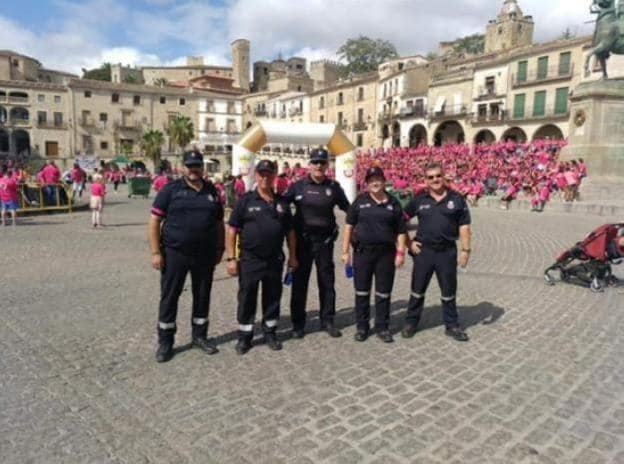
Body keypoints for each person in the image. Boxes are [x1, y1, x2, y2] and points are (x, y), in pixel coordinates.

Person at [148, 150, 225, 363]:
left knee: (202, 295)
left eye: (197, 165)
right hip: (175, 253)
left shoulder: (212, 191)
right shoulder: (170, 190)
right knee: (170, 296)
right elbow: (154, 221)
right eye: (190, 165)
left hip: (205, 254)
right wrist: (155, 252)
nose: (194, 169)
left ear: (202, 167)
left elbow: (219, 222)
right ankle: (166, 342)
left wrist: (220, 249)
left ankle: (199, 336)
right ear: (183, 167)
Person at [226, 160, 298, 355]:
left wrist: (293, 257)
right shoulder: (245, 201)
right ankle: (245, 336)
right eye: (261, 174)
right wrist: (231, 258)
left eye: (269, 174)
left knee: (273, 296)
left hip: (275, 259)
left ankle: (270, 332)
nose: (265, 177)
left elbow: (290, 232)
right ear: (256, 175)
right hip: (250, 259)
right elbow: (232, 230)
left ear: (275, 176)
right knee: (247, 296)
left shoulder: (282, 202)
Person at [282, 148, 350, 338]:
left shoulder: (334, 187)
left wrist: (366, 218)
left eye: (323, 162)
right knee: (299, 285)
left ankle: (327, 320)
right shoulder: (298, 186)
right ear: (309, 165)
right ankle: (298, 324)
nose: (319, 165)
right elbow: (280, 206)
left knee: (327, 283)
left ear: (327, 165)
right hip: (302, 243)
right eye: (315, 162)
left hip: (325, 243)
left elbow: (348, 209)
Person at [402, 163, 472, 342]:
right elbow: (400, 220)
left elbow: (464, 226)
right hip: (423, 252)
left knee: (448, 291)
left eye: (438, 176)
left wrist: (465, 250)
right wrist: (409, 243)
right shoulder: (420, 199)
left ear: (444, 176)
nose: (435, 180)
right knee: (417, 290)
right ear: (425, 180)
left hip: (446, 252)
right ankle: (411, 323)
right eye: (431, 177)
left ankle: (452, 325)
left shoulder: (456, 199)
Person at [341, 167, 407, 342]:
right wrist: (345, 251)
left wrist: (400, 253)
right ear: (367, 183)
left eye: (378, 179)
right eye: (371, 180)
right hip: (363, 253)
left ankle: (382, 327)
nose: (375, 183)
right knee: (362, 292)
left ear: (384, 181)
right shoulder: (360, 201)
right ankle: (362, 327)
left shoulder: (394, 203)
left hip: (386, 254)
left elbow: (401, 231)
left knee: (383, 292)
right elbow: (348, 226)